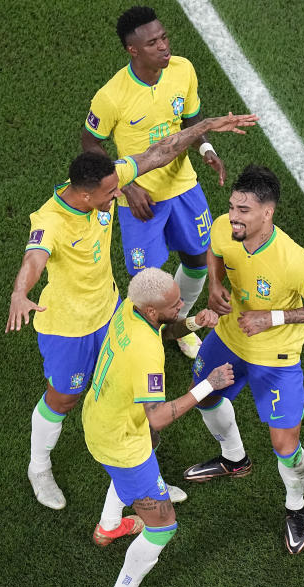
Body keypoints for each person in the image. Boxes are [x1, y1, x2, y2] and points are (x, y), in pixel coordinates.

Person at [5, 113, 257, 511]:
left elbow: (160, 151)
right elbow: (34, 258)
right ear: (86, 195)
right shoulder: (50, 220)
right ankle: (39, 466)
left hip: (110, 313)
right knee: (64, 398)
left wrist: (203, 128)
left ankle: (147, 478)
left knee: (138, 402)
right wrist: (21, 292)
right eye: (111, 193)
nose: (118, 195)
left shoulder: (106, 183)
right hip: (68, 327)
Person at [183, 165, 304, 554]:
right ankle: (234, 459)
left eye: (244, 210)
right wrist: (216, 285)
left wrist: (270, 317)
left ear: (267, 213)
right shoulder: (226, 227)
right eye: (233, 207)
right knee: (202, 394)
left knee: (285, 444)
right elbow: (215, 250)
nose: (234, 216)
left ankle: (295, 508)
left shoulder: (292, 261)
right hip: (230, 336)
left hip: (277, 356)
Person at [82, 267, 234, 587]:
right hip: (122, 443)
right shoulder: (145, 354)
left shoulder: (129, 308)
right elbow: (158, 417)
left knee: (148, 447)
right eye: (175, 303)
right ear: (151, 309)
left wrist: (194, 321)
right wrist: (207, 386)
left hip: (102, 419)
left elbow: (166, 329)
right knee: (163, 526)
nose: (182, 302)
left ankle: (110, 526)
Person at [82, 5, 227, 360]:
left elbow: (191, 119)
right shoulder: (112, 95)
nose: (164, 47)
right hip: (140, 199)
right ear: (133, 50)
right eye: (153, 43)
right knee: (145, 279)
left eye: (164, 37)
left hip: (184, 188)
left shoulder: (183, 70)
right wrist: (125, 186)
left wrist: (205, 147)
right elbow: (90, 142)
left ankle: (177, 325)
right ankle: (138, 342)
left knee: (197, 260)